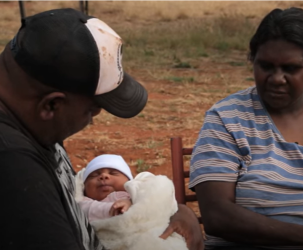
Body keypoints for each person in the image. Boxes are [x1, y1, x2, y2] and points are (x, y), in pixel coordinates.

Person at [0, 8, 203, 250]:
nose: (94, 119)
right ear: (52, 105)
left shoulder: (33, 122)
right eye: (92, 109)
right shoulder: (15, 168)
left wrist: (173, 210)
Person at [189, 7, 303, 250]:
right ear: (252, 62)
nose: (277, 78)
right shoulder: (227, 118)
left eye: (290, 68)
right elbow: (217, 216)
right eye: (265, 66)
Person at [76, 154, 133, 221]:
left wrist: (131, 203)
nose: (103, 175)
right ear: (84, 187)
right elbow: (84, 210)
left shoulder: (136, 194)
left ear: (129, 181)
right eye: (94, 175)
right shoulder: (83, 202)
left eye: (113, 173)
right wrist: (112, 208)